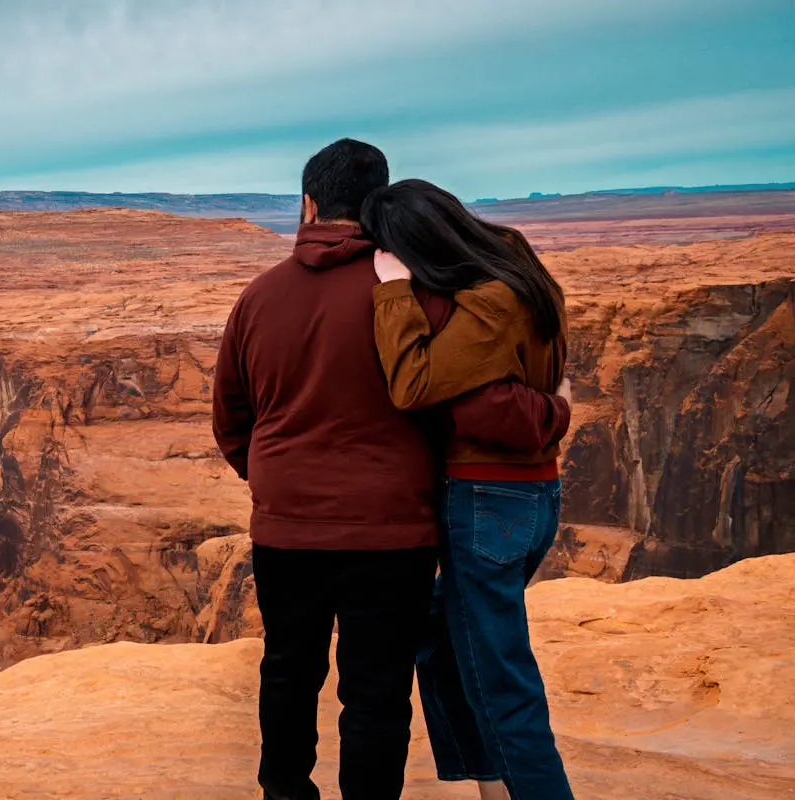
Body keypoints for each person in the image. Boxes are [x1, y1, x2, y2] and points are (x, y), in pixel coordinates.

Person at [212, 141, 570, 800]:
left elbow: (231, 419)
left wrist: (275, 482)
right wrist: (552, 412)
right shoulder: (419, 297)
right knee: (376, 688)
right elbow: (470, 405)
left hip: (287, 527)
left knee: (287, 669)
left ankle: (284, 794)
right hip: (393, 531)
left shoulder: (257, 298)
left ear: (308, 204)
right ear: (378, 204)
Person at [362, 178, 575, 800]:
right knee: (444, 641)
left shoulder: (490, 301)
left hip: (488, 498)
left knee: (499, 681)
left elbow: (413, 384)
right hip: (527, 496)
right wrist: (552, 411)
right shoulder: (516, 266)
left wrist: (394, 289)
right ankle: (490, 786)